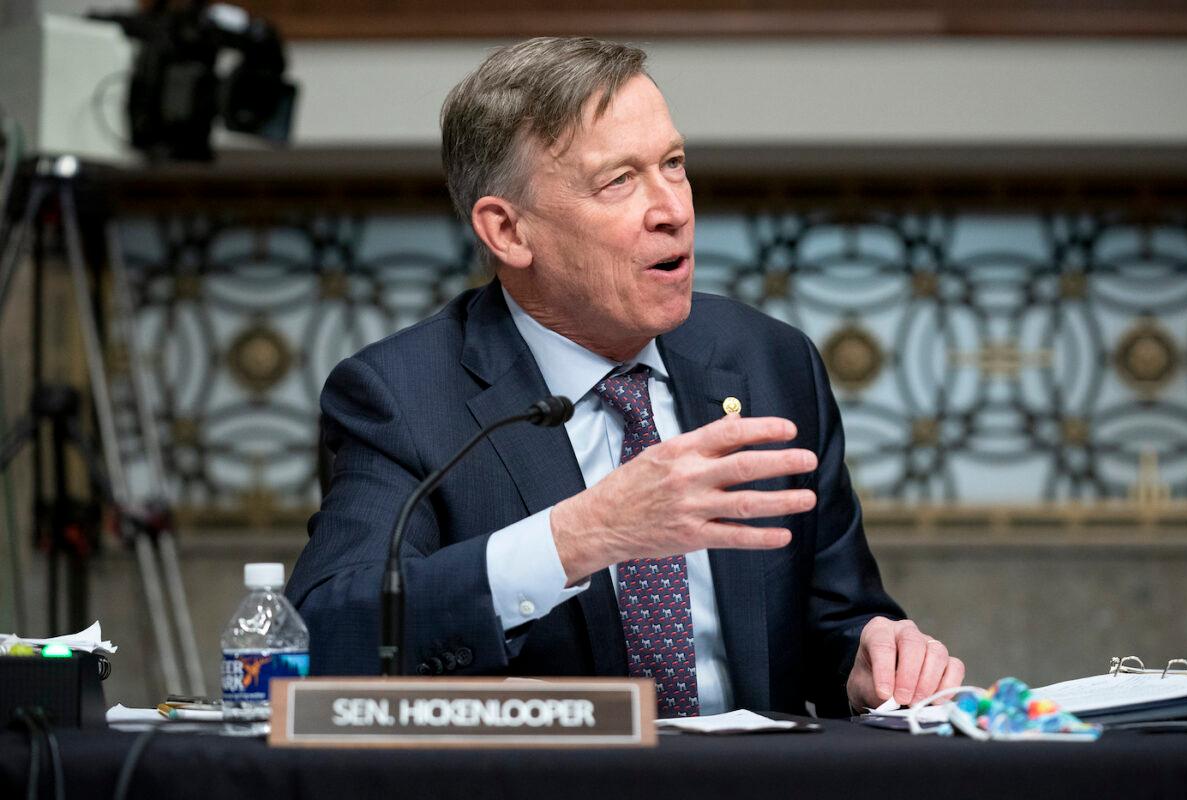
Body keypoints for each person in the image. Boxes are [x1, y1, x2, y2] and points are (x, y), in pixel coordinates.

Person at [286, 36, 965, 718]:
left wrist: (872, 653)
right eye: (619, 180)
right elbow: (326, 634)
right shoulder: (403, 395)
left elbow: (834, 620)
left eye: (674, 164)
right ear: (508, 232)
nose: (673, 208)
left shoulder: (769, 362)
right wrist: (579, 537)